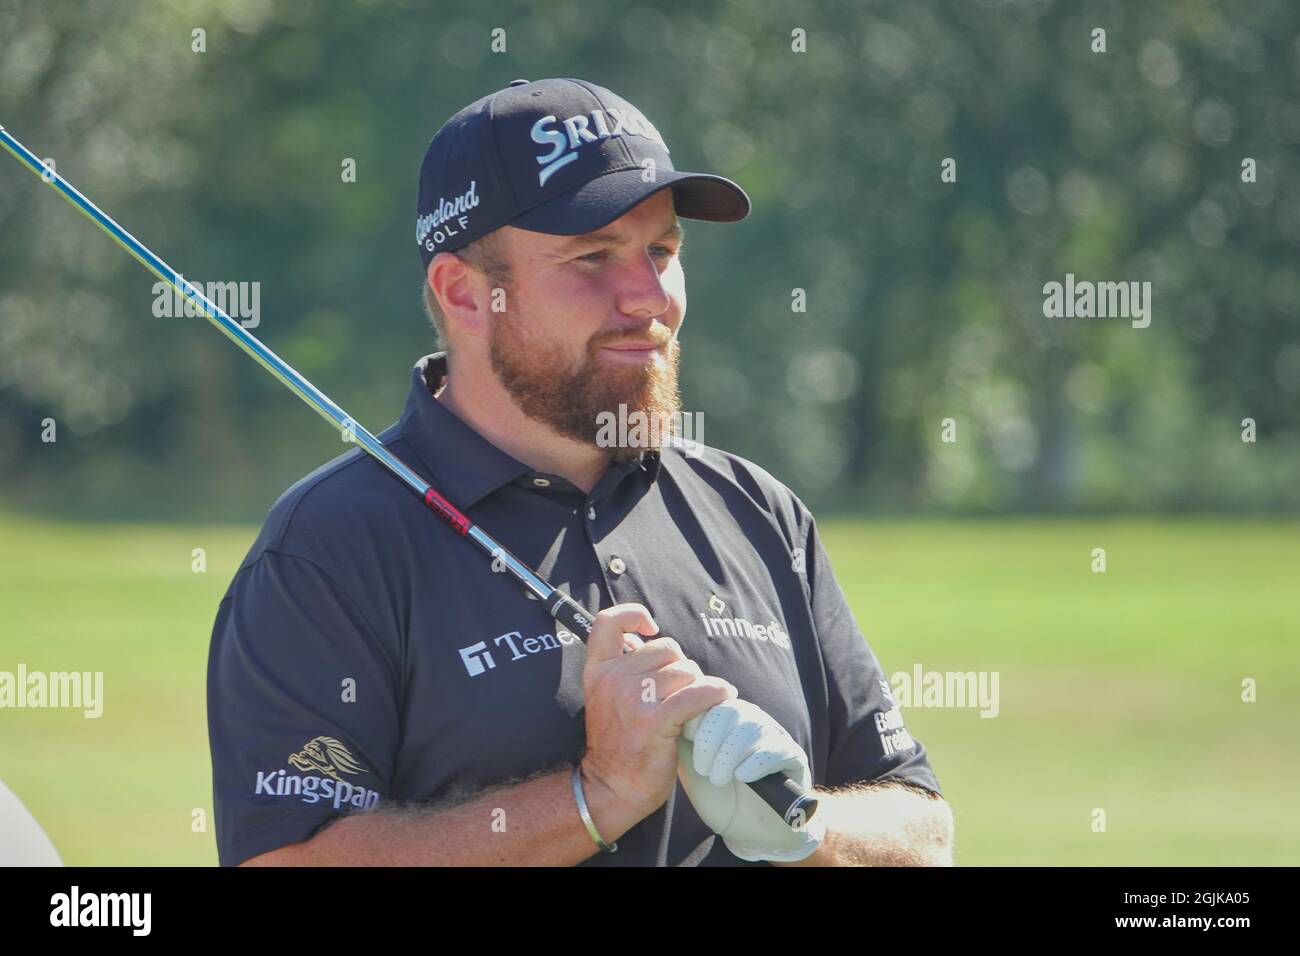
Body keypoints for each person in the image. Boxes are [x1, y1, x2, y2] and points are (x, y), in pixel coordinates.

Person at [207, 77, 952, 866]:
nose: (649, 299)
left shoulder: (756, 511)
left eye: (663, 251)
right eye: (592, 257)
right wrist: (594, 798)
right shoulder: (328, 548)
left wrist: (810, 831)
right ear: (464, 294)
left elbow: (924, 829)